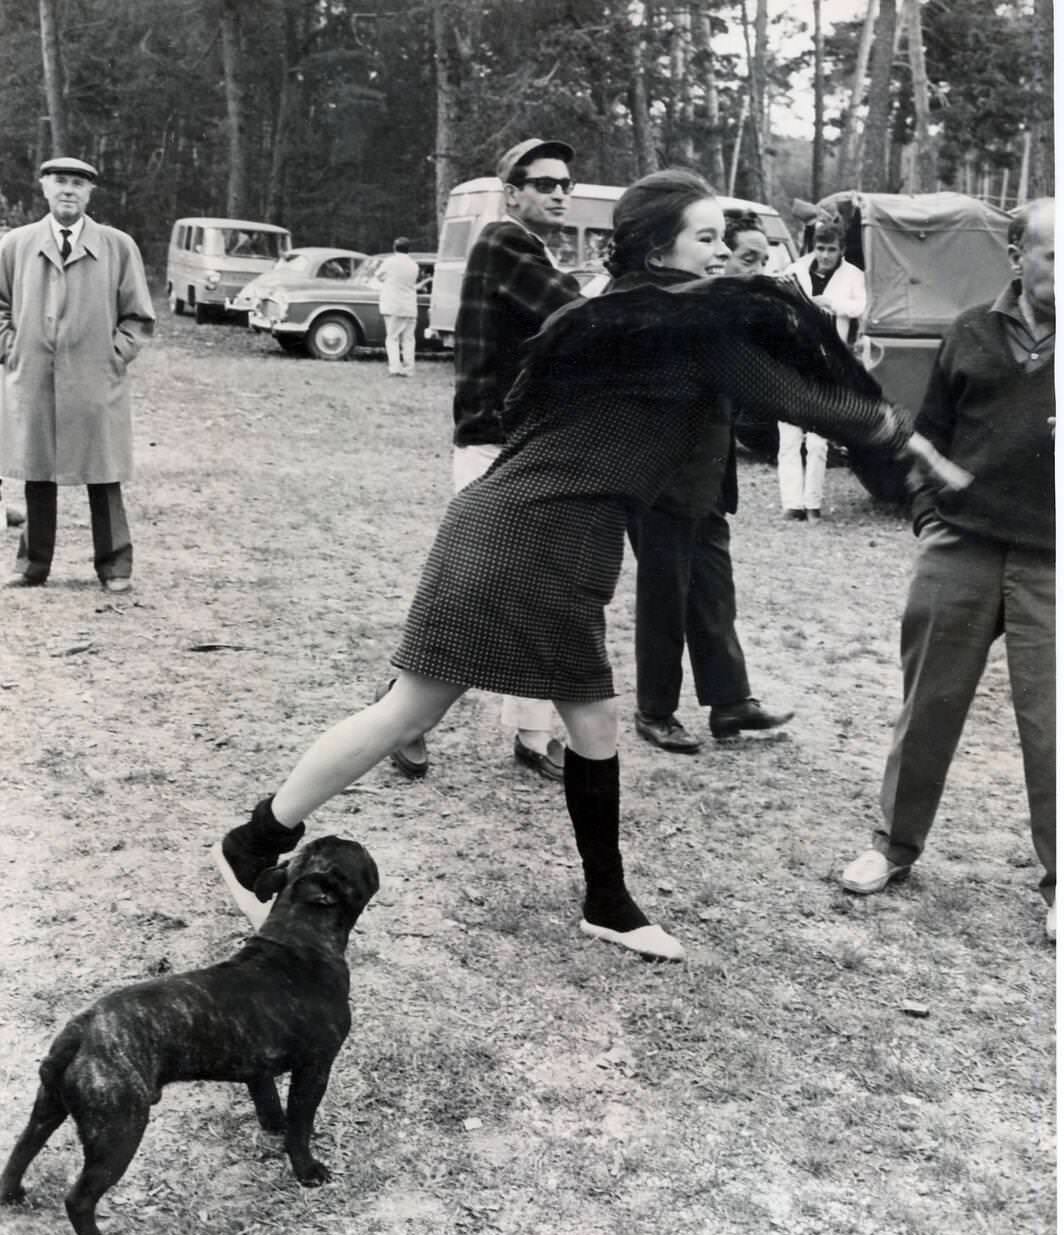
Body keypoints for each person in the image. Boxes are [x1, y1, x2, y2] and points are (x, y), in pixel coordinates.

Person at [212, 167, 952, 965]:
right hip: (532, 541)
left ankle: (262, 840)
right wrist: (905, 436)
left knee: (449, 714)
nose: (721, 254)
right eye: (704, 238)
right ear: (658, 246)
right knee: (483, 717)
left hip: (512, 529)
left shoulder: (622, 318)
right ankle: (599, 899)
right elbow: (799, 397)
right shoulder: (681, 330)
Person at [841, 198, 1056, 943]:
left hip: (1050, 564)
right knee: (928, 703)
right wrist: (929, 515)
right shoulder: (968, 332)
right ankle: (893, 846)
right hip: (960, 548)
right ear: (1018, 257)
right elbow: (928, 436)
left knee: (1051, 725)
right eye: (1053, 255)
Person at [392, 138, 583, 783]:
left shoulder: (520, 248)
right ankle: (404, 721)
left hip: (516, 442)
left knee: (533, 591)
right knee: (478, 594)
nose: (560, 191)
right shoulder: (506, 245)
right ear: (514, 193)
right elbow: (578, 314)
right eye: (545, 182)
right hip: (495, 446)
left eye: (565, 182)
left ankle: (531, 733)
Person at [629, 211, 793, 753]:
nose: (728, 257)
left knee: (715, 594)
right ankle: (654, 709)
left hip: (708, 481)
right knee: (664, 598)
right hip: (659, 482)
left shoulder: (716, 305)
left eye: (748, 255)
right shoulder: (661, 308)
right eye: (718, 244)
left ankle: (730, 702)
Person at [0, 157, 154, 591]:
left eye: (78, 184)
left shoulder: (117, 246)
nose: (68, 190)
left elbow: (139, 317)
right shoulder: (16, 244)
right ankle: (32, 566)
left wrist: (114, 355)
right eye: (60, 182)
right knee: (37, 471)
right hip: (32, 376)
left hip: (94, 379)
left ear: (89, 194)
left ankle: (115, 566)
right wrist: (10, 347)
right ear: (45, 189)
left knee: (103, 472)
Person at [776, 216, 866, 521]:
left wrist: (830, 302)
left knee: (817, 440)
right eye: (820, 248)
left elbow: (860, 307)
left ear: (842, 250)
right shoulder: (795, 270)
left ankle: (812, 502)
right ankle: (792, 503)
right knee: (788, 437)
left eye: (831, 249)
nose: (824, 255)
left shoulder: (854, 276)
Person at [377, 236, 420, 377]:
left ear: (394, 248)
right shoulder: (414, 265)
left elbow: (379, 276)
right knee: (408, 339)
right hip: (410, 305)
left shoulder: (390, 262)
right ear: (409, 249)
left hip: (393, 305)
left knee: (392, 338)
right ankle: (409, 369)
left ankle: (395, 367)